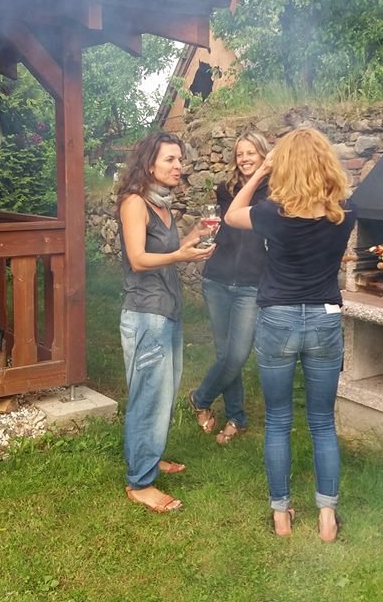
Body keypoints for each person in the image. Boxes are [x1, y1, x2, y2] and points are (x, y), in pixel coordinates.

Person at [225, 127, 356, 542]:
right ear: (325, 163)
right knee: (322, 422)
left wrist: (260, 171)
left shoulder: (270, 213)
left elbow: (231, 214)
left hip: (278, 318)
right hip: (324, 318)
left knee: (278, 420)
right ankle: (327, 516)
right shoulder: (344, 213)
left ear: (282, 166)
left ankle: (281, 515)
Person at [116, 131, 214, 514]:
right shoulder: (134, 203)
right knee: (148, 399)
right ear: (149, 163)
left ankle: (150, 459)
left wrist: (193, 237)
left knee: (163, 395)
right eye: (171, 159)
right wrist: (181, 257)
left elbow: (166, 249)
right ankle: (140, 483)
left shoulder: (163, 207)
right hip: (145, 315)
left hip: (167, 312)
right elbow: (138, 259)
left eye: (180, 159)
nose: (179, 166)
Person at [188, 131, 272, 445]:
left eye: (251, 153)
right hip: (217, 280)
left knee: (236, 355)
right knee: (225, 353)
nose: (245, 159)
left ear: (264, 155)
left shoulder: (276, 192)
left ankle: (200, 397)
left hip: (251, 283)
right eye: (240, 154)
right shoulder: (226, 189)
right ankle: (237, 417)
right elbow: (224, 226)